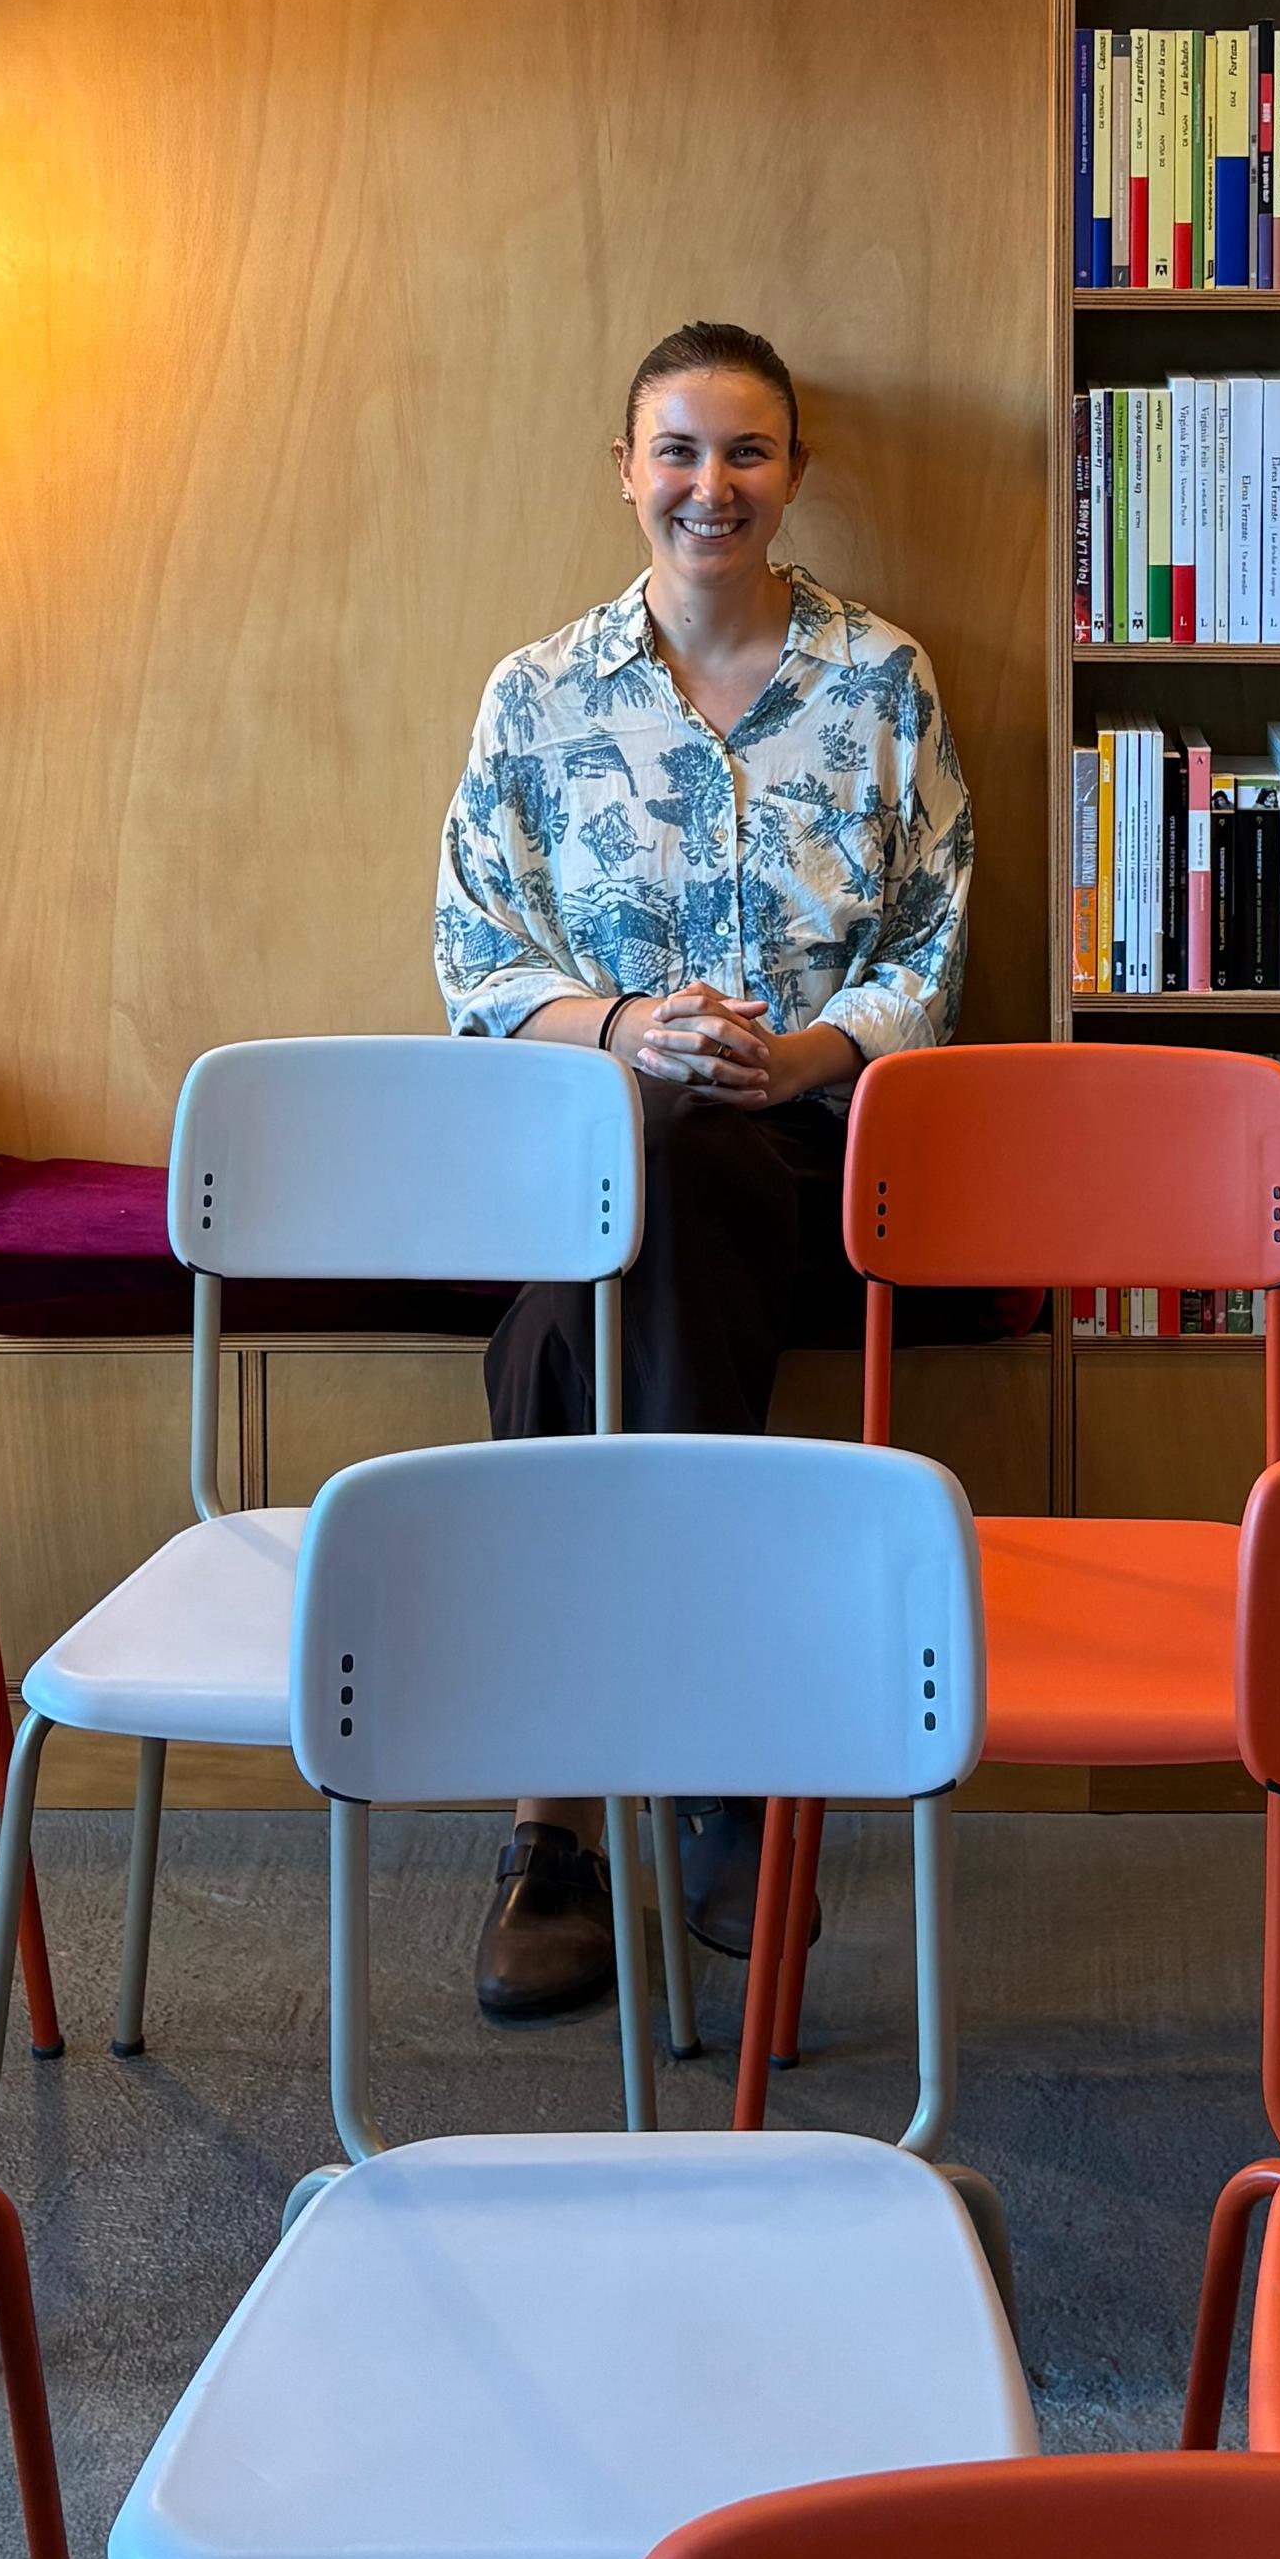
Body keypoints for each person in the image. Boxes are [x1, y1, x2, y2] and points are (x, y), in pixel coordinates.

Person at [435, 320, 971, 2021]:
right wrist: (623, 1033)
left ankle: (558, 1814)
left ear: (794, 476)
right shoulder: (537, 695)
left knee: (576, 1304)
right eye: (678, 450)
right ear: (624, 469)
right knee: (621, 1220)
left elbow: (934, 944)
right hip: (590, 1151)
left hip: (814, 1165)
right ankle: (719, 1762)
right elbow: (475, 958)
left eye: (745, 453)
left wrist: (800, 1055)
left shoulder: (884, 681)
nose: (709, 486)